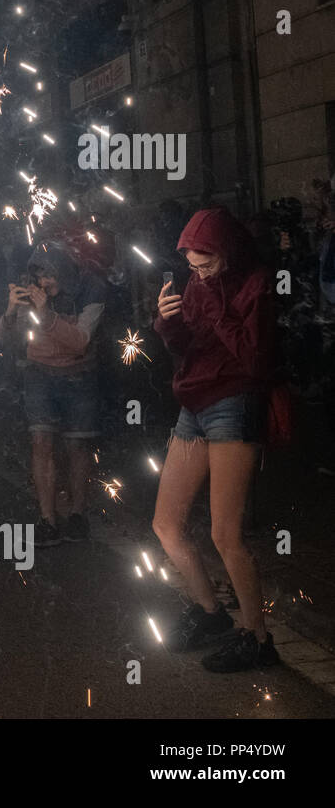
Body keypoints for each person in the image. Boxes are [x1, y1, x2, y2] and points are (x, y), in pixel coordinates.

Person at [152, 207, 280, 672]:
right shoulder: (198, 282)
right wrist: (169, 325)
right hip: (194, 404)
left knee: (225, 534)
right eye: (191, 267)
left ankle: (258, 638)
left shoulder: (257, 283)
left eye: (206, 265)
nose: (198, 275)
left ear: (226, 253)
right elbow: (190, 347)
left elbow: (253, 358)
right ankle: (210, 613)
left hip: (233, 403)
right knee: (165, 524)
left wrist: (215, 307)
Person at [0, 240, 105, 546]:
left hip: (80, 375)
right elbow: (5, 341)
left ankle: (77, 515)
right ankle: (47, 519)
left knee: (77, 446)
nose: (44, 282)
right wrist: (11, 311)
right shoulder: (31, 292)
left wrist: (45, 314)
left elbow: (81, 340)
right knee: (41, 442)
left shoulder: (91, 289)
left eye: (51, 275)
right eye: (40, 275)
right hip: (39, 373)